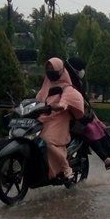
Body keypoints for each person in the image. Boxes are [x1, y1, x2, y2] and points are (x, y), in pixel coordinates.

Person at [36, 57, 86, 186]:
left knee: (47, 141)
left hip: (59, 119)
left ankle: (66, 170)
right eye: (48, 69)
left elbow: (65, 102)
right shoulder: (46, 86)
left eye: (53, 69)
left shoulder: (67, 89)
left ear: (60, 70)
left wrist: (59, 106)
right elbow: (38, 100)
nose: (50, 71)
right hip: (44, 118)